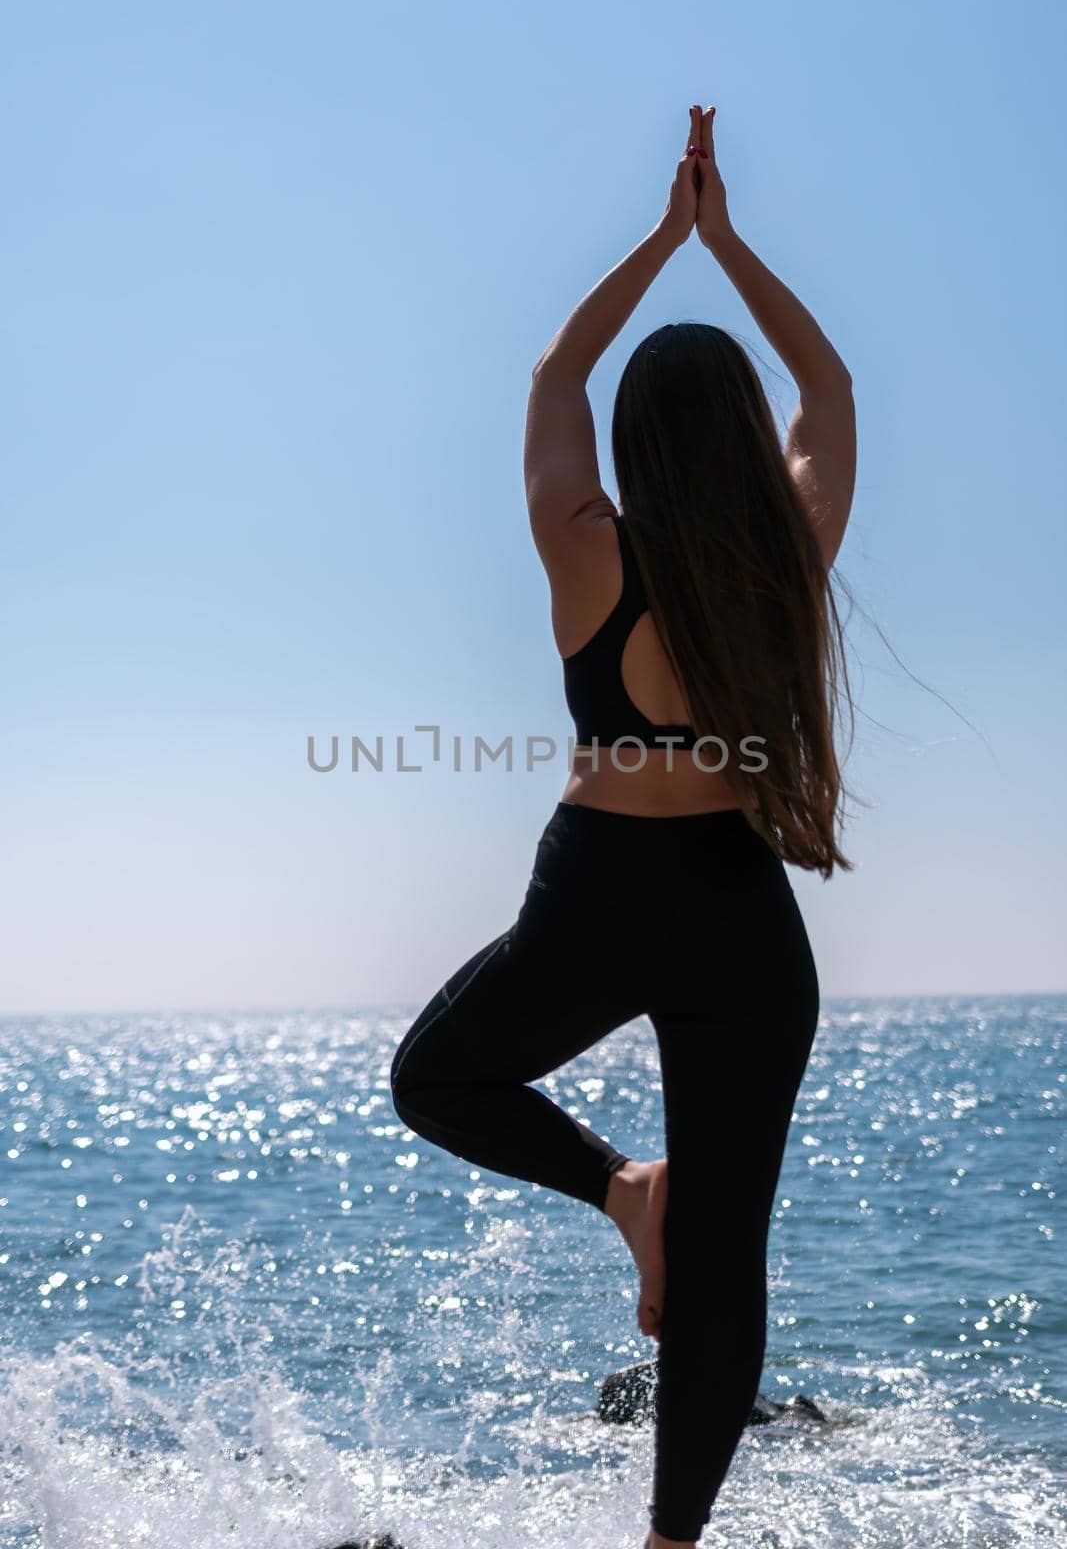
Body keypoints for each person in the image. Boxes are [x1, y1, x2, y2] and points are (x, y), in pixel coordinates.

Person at [390, 103, 856, 1548]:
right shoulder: (792, 552)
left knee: (438, 1079)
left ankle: (614, 1188)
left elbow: (556, 368)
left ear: (643, 445)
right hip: (735, 906)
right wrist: (732, 245)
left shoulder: (584, 548)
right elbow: (828, 383)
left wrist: (665, 241)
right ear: (731, 436)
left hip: (598, 888)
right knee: (727, 1256)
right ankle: (670, 1543)